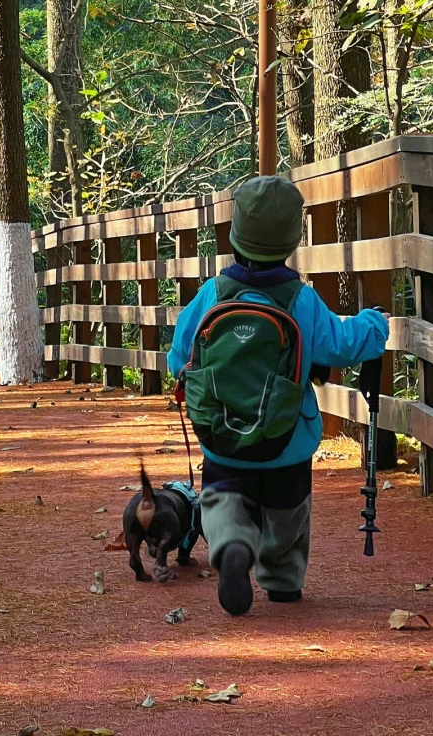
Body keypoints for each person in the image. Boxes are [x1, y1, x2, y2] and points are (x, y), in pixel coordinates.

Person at [168, 173, 389, 615]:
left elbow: (180, 358)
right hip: (287, 441)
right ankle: (283, 579)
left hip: (223, 438)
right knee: (288, 512)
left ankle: (233, 547)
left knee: (222, 500)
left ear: (234, 234)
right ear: (292, 240)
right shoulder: (300, 300)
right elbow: (340, 345)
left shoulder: (212, 293)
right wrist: (374, 324)